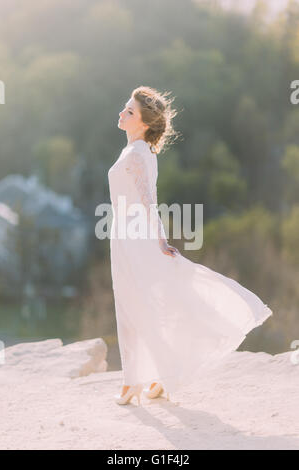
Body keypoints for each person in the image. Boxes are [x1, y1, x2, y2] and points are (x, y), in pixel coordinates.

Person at [108, 86, 273, 406]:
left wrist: (159, 241)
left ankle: (135, 383)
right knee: (141, 303)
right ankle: (154, 378)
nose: (122, 113)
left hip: (134, 237)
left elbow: (148, 201)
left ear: (142, 123)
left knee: (134, 304)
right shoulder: (135, 150)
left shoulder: (137, 154)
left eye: (129, 111)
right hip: (126, 234)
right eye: (125, 108)